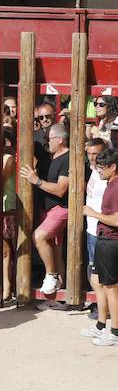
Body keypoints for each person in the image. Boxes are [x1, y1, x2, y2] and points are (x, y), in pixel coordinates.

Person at [22, 123, 71, 296]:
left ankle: (51, 275)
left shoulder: (68, 158)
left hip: (61, 208)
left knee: (39, 237)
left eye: (49, 139)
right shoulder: (51, 157)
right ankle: (61, 294)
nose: (46, 142)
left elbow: (60, 189)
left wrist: (36, 180)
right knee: (56, 250)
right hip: (48, 209)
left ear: (60, 139)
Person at [83, 148, 118, 348]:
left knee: (111, 288)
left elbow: (116, 219)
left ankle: (114, 332)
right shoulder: (110, 184)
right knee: (101, 283)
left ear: (113, 167)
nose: (99, 171)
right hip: (104, 238)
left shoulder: (116, 187)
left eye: (102, 168)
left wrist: (94, 214)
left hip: (111, 240)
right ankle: (102, 325)